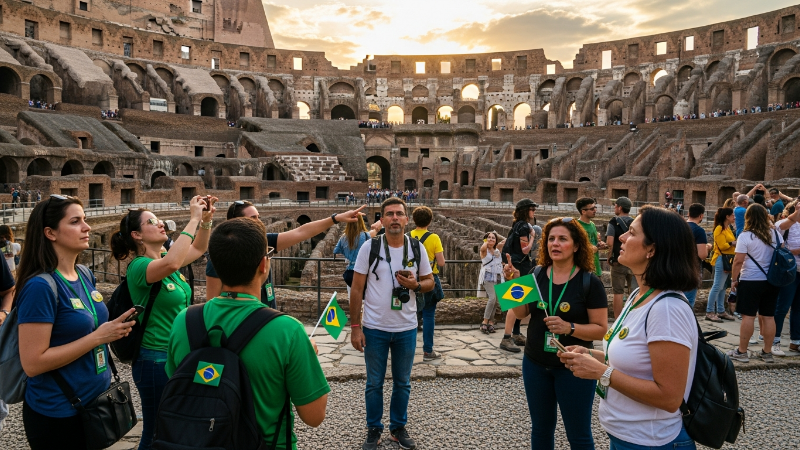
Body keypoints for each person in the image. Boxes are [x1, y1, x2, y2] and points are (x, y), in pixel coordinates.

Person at [166, 218, 329, 448]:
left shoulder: (183, 320)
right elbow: (314, 416)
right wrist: (306, 357)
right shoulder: (288, 331)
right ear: (264, 265)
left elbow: (176, 385)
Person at [559, 206, 700, 450]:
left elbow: (669, 397)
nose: (622, 237)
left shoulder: (666, 310)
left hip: (653, 441)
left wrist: (601, 372)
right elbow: (638, 361)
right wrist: (590, 355)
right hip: (628, 437)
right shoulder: (638, 294)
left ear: (652, 249)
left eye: (632, 233)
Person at [16, 195, 135, 449]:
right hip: (59, 412)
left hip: (95, 403)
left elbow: (88, 326)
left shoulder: (84, 274)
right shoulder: (40, 287)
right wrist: (99, 337)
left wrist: (114, 331)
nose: (87, 227)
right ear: (50, 233)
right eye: (75, 221)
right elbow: (33, 363)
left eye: (85, 219)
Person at [110, 196, 216, 450]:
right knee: (156, 429)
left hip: (177, 356)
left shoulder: (166, 256)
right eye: (152, 222)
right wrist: (192, 219)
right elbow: (172, 263)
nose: (160, 225)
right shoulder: (139, 266)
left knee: (173, 426)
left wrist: (205, 221)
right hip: (154, 360)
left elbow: (198, 250)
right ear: (136, 235)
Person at [503, 217, 608, 449]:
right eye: (551, 239)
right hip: (535, 363)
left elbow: (601, 330)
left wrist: (569, 327)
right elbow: (520, 313)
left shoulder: (590, 282)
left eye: (562, 239)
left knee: (578, 434)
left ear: (577, 245)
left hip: (575, 367)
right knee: (540, 429)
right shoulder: (537, 273)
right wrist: (513, 281)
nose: (555, 244)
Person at [350, 198, 433, 450]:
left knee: (403, 382)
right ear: (382, 219)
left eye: (399, 214)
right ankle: (373, 429)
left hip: (406, 327)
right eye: (389, 214)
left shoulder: (417, 248)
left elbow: (429, 282)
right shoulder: (369, 247)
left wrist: (416, 286)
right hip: (374, 327)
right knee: (374, 382)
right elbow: (356, 287)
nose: (395, 218)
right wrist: (355, 327)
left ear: (407, 219)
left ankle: (398, 427)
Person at [206, 201, 367, 305]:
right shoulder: (221, 254)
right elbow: (211, 301)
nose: (259, 222)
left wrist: (336, 218)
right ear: (236, 222)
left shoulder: (264, 241)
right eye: (253, 218)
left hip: (266, 316)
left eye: (259, 217)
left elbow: (301, 232)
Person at [728, 204, 783, 363]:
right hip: (771, 281)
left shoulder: (745, 236)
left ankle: (742, 352)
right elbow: (782, 251)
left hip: (751, 280)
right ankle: (767, 353)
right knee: (768, 316)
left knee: (748, 316)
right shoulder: (775, 234)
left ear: (748, 218)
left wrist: (734, 280)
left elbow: (738, 261)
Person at [501, 199, 542, 352]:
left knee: (521, 300)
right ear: (526, 211)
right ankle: (506, 338)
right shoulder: (524, 226)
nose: (534, 212)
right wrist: (533, 236)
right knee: (515, 301)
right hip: (519, 265)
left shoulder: (516, 225)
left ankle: (516, 334)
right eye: (532, 209)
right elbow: (526, 250)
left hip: (516, 264)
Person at [409, 206, 446, 361]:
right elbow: (441, 262)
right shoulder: (434, 238)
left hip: (410, 280)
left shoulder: (407, 236)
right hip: (429, 279)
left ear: (413, 220)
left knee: (409, 314)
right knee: (429, 314)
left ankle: (405, 351)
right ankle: (427, 351)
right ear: (430, 221)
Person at [773, 202, 800, 356]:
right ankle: (775, 341)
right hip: (789, 271)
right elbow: (780, 229)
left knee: (798, 308)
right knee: (782, 307)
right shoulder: (785, 224)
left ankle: (796, 341)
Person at [606, 197, 636, 318]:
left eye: (615, 206)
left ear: (619, 207)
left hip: (619, 260)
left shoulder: (613, 222)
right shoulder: (635, 222)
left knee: (618, 292)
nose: (614, 208)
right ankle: (633, 318)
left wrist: (609, 257)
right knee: (634, 292)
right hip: (633, 261)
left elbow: (610, 242)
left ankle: (618, 320)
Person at [333, 214, 378, 294]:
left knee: (352, 297)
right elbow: (375, 231)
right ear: (361, 222)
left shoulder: (343, 237)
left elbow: (336, 252)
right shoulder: (365, 235)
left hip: (350, 272)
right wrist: (379, 223)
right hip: (363, 271)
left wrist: (348, 255)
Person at [706, 207, 736, 323]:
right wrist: (733, 243)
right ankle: (709, 311)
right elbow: (722, 245)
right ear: (727, 216)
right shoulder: (719, 228)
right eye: (732, 215)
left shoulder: (728, 228)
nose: (734, 217)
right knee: (717, 286)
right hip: (721, 259)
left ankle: (721, 310)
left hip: (728, 259)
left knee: (723, 287)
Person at [478, 231, 506, 334]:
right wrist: (486, 240)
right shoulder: (484, 250)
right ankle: (484, 322)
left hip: (498, 277)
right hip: (487, 277)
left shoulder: (497, 250)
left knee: (496, 301)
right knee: (492, 298)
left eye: (493, 238)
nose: (491, 239)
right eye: (489, 237)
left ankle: (491, 322)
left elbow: (506, 240)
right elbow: (482, 247)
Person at [684, 203, 710, 309]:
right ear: (701, 216)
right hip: (691, 270)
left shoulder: (679, 227)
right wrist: (708, 247)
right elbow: (702, 255)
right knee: (688, 302)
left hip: (675, 268)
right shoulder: (699, 231)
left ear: (688, 213)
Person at [576, 197, 607, 277]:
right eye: (592, 208)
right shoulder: (576, 226)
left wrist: (600, 244)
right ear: (583, 211)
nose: (595, 210)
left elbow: (595, 242)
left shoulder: (592, 224)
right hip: (583, 268)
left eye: (595, 207)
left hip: (595, 267)